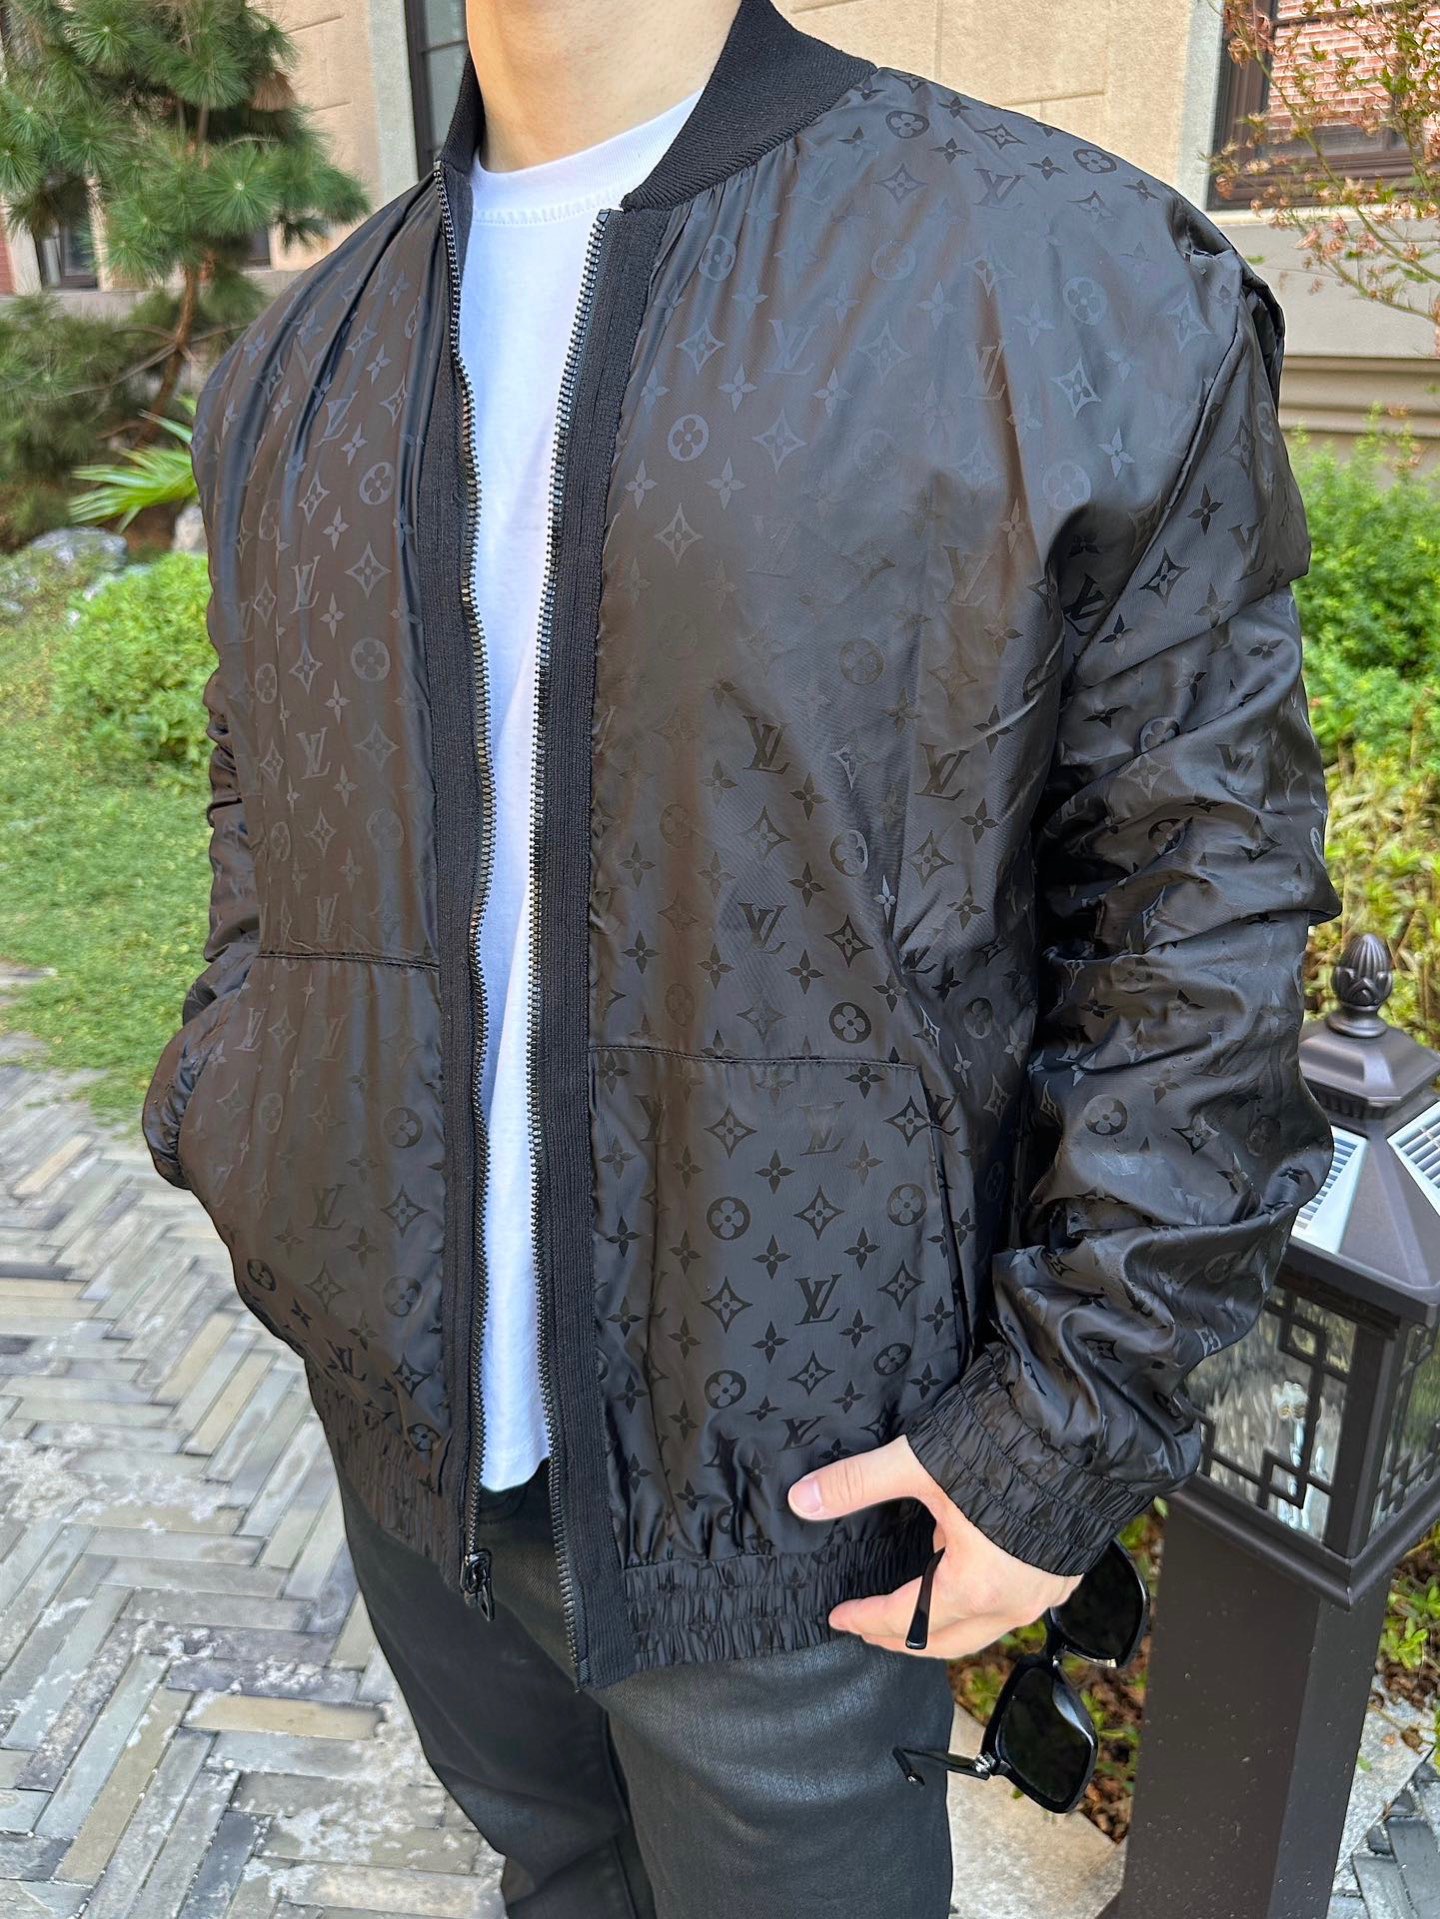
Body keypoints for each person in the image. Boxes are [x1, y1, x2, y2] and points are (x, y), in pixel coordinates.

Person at [141, 0, 1344, 1911]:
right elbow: (259, 804)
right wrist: (234, 1103)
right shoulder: (305, 353)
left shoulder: (1067, 281)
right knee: (557, 1884)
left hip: (798, 1501)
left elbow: (1200, 894)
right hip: (416, 1460)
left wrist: (1063, 1423)